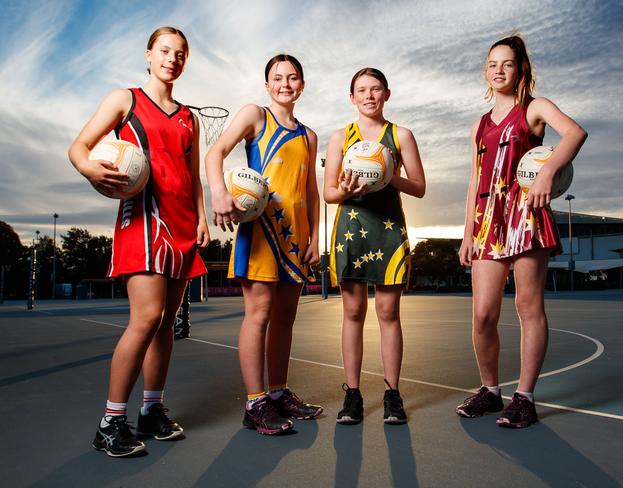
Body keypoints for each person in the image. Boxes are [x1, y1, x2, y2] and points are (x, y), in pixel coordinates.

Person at [68, 26, 209, 456]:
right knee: (146, 318)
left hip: (183, 221)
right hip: (145, 219)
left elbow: (193, 176)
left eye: (180, 53)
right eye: (165, 50)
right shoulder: (123, 99)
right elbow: (79, 146)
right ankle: (111, 422)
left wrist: (202, 219)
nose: (172, 58)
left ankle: (151, 410)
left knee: (167, 323)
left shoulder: (189, 117)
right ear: (149, 54)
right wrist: (90, 169)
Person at [456, 34, 587, 428]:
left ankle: (525, 397)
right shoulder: (479, 125)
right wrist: (467, 232)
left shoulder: (535, 108)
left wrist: (548, 171)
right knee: (482, 315)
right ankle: (491, 391)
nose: (499, 70)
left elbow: (575, 133)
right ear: (485, 71)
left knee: (528, 308)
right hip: (487, 221)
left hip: (525, 214)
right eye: (493, 64)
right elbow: (475, 179)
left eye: (507, 64)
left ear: (520, 69)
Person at [205, 54, 322, 435]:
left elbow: (310, 191)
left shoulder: (309, 135)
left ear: (301, 85)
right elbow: (214, 153)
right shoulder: (255, 115)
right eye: (277, 78)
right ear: (267, 85)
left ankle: (278, 392)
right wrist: (220, 193)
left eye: (292, 78)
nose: (285, 84)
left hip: (296, 238)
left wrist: (315, 239)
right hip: (260, 231)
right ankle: (255, 403)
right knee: (258, 316)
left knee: (285, 319)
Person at [323, 68, 425, 425]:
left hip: (388, 230)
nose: (369, 96)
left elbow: (419, 186)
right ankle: (352, 394)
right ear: (352, 97)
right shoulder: (339, 137)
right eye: (361, 90)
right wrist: (348, 190)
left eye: (376, 89)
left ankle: (392, 394)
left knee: (388, 313)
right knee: (352, 313)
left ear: (387, 94)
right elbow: (329, 193)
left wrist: (386, 172)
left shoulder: (401, 135)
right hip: (351, 228)